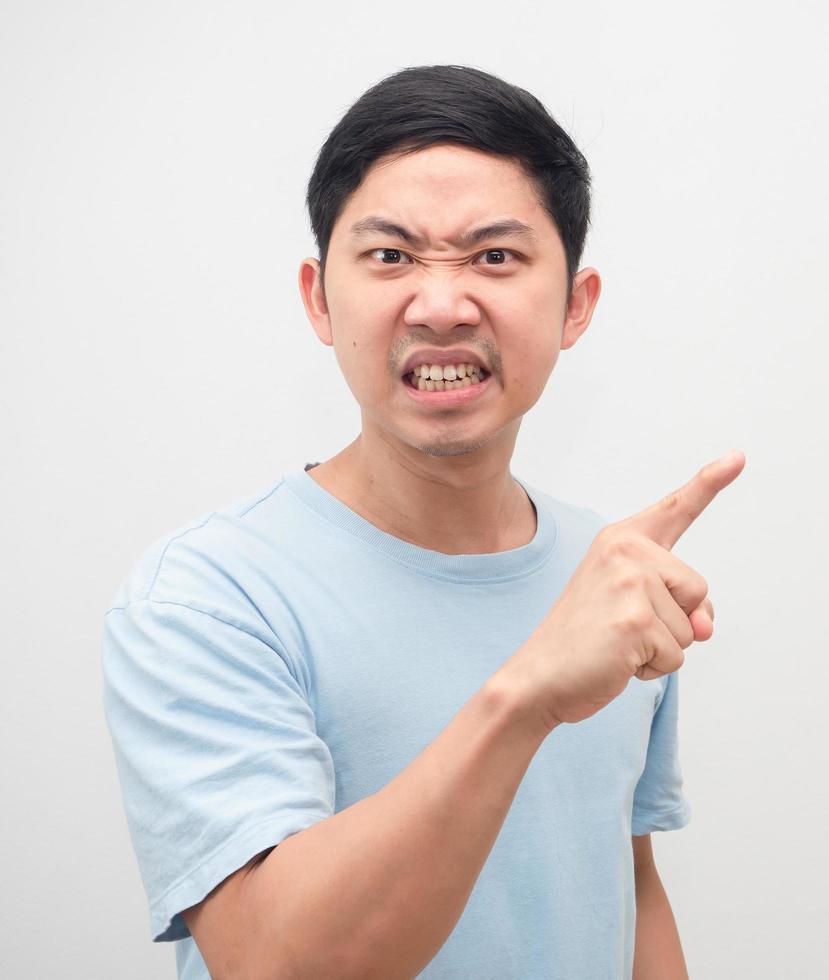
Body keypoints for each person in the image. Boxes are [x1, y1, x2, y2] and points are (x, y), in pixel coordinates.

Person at [99, 64, 745, 979]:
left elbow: (626, 882)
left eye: (494, 257)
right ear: (320, 297)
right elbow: (270, 962)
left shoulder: (614, 578)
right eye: (391, 256)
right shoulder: (206, 598)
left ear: (576, 305)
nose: (441, 306)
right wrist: (525, 695)